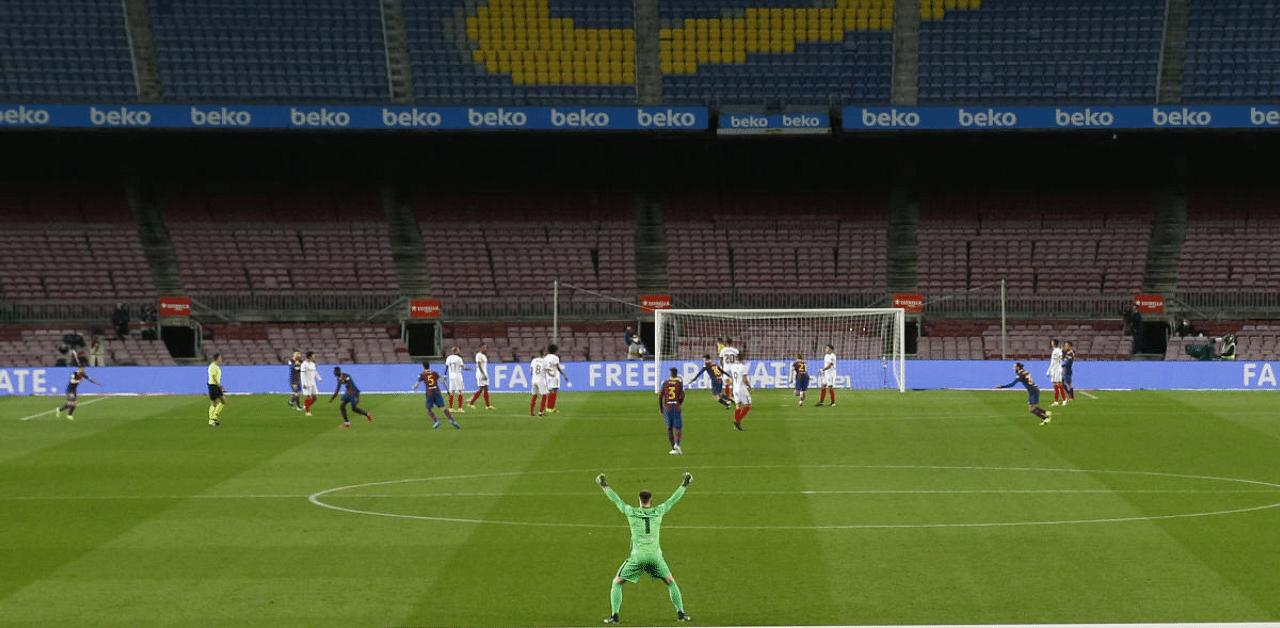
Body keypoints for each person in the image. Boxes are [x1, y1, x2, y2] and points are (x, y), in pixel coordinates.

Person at [595, 471, 693, 625]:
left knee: (617, 582)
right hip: (655, 556)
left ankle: (615, 616)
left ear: (639, 500)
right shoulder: (659, 510)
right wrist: (685, 484)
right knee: (670, 581)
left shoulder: (630, 511)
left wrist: (603, 484)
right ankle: (681, 614)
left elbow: (617, 500)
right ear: (651, 501)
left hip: (638, 557)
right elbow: (673, 500)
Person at [413, 361, 460, 429]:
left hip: (429, 393)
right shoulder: (434, 373)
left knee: (428, 409)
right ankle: (452, 420)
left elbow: (417, 385)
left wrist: (414, 387)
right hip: (437, 391)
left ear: (423, 367)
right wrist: (447, 390)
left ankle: (436, 421)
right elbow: (443, 381)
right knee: (443, 407)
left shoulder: (422, 375)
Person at [659, 367, 685, 455]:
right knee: (678, 427)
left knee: (669, 427)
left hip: (667, 406)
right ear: (676, 374)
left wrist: (661, 408)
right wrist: (679, 403)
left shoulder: (665, 383)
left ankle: (673, 447)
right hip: (676, 405)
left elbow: (660, 396)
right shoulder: (679, 383)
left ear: (670, 374)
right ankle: (677, 444)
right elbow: (682, 396)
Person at [729, 353, 752, 431]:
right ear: (743, 358)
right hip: (741, 388)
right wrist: (750, 386)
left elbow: (732, 378)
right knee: (748, 405)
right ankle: (737, 420)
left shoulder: (732, 367)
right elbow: (745, 380)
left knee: (738, 405)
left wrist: (732, 389)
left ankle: (737, 426)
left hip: (735, 388)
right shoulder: (743, 367)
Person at [444, 346, 471, 412]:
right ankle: (460, 408)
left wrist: (444, 375)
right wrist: (469, 368)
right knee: (460, 391)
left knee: (451, 391)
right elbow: (463, 367)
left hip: (451, 376)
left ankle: (451, 408)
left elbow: (446, 367)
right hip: (458, 376)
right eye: (458, 350)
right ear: (456, 351)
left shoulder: (449, 357)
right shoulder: (459, 358)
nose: (459, 351)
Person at [468, 344, 494, 410]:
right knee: (481, 388)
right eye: (483, 348)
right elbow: (479, 365)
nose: (485, 349)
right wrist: (483, 374)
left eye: (485, 347)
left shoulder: (484, 356)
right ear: (480, 349)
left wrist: (485, 374)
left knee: (486, 388)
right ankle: (471, 403)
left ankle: (488, 405)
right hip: (480, 374)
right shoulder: (479, 355)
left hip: (484, 373)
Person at [545, 343, 568, 413]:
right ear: (555, 350)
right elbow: (557, 366)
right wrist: (563, 374)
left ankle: (548, 407)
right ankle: (551, 407)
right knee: (554, 390)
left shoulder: (545, 357)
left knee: (550, 391)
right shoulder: (555, 357)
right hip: (554, 375)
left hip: (548, 375)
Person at [300, 351, 322, 416]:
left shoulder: (312, 364)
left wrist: (319, 378)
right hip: (307, 383)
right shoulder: (304, 364)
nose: (314, 357)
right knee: (308, 396)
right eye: (313, 356)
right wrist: (304, 383)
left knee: (315, 397)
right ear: (310, 356)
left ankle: (306, 405)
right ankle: (307, 412)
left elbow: (315, 372)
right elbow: (302, 375)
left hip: (313, 382)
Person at [207, 353, 226, 427]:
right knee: (213, 403)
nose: (221, 359)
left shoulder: (216, 366)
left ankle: (214, 416)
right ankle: (211, 421)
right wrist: (220, 386)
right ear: (217, 358)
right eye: (220, 358)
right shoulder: (212, 367)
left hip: (216, 386)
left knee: (223, 401)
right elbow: (214, 378)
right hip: (213, 385)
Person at [529, 348, 548, 417]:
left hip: (534, 380)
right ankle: (541, 412)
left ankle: (531, 412)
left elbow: (531, 371)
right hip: (541, 380)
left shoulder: (534, 360)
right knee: (544, 395)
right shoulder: (544, 361)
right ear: (544, 354)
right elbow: (547, 370)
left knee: (534, 395)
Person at [1047, 339, 1065, 406]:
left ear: (1054, 343)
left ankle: (1064, 400)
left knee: (1059, 385)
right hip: (1055, 370)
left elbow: (1053, 362)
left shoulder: (1056, 351)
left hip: (1057, 370)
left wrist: (1048, 370)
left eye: (1052, 342)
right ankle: (1056, 401)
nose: (1051, 343)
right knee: (1055, 385)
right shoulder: (1057, 351)